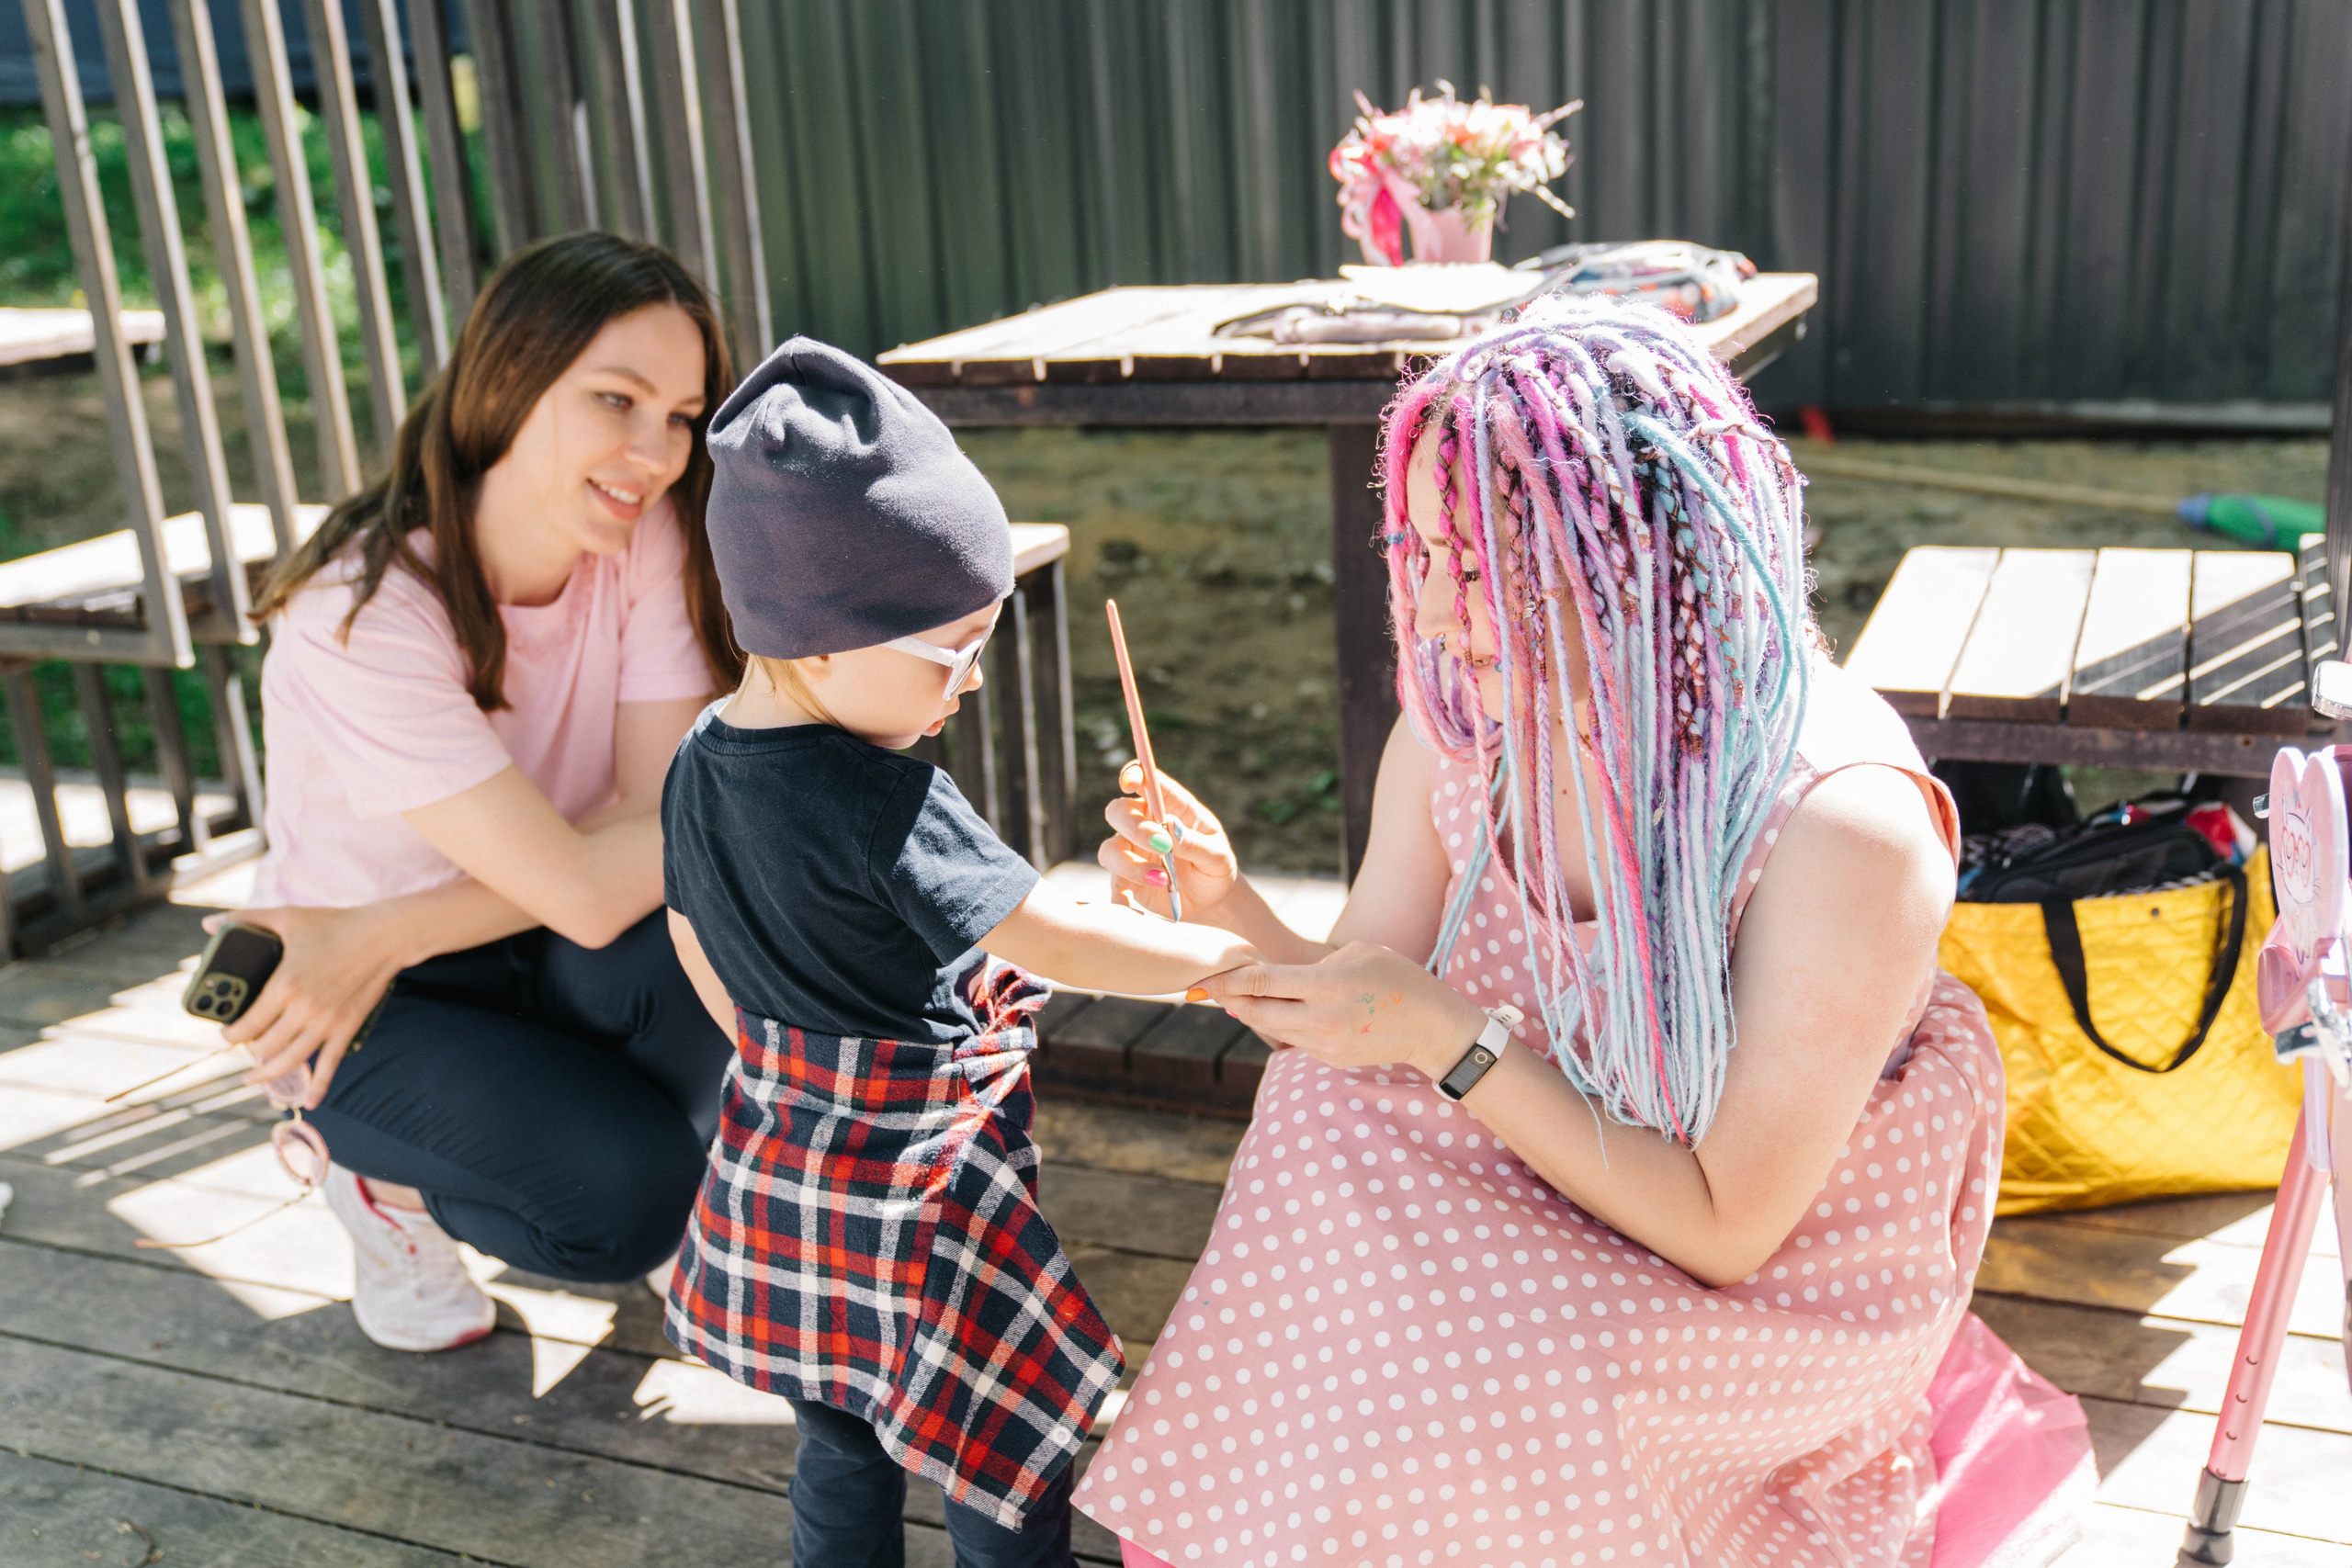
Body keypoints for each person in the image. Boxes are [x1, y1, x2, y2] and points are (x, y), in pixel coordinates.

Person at [1075, 299, 2005, 1567]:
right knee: (1317, 1116)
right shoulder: (1465, 722)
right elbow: (1362, 994)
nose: (1443, 614)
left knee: (1522, 1379)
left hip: (1755, 1252)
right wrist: (1226, 902)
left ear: (1645, 546)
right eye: (1424, 553)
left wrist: (1454, 1037)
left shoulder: (1844, 825)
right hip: (1537, 1136)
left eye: (1486, 562)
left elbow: (1727, 1225)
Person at [659, 340, 1260, 1568]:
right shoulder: (884, 796)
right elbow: (1043, 929)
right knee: (1002, 1433)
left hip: (787, 1155)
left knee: (841, 1433)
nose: (972, 681)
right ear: (819, 637)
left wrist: (784, 1054)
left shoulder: (699, 758)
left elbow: (687, 926)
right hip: (921, 1177)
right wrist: (1212, 961)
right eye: (954, 650)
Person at [218, 232, 742, 1353]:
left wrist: (378, 928)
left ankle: (624, 1137)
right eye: (617, 400)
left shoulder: (643, 534)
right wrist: (385, 949)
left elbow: (667, 835)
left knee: (704, 916)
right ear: (508, 383)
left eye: (683, 415)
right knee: (628, 1204)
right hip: (362, 1001)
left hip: (394, 940)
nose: (655, 452)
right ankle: (382, 1189)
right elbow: (617, 863)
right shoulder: (360, 615)